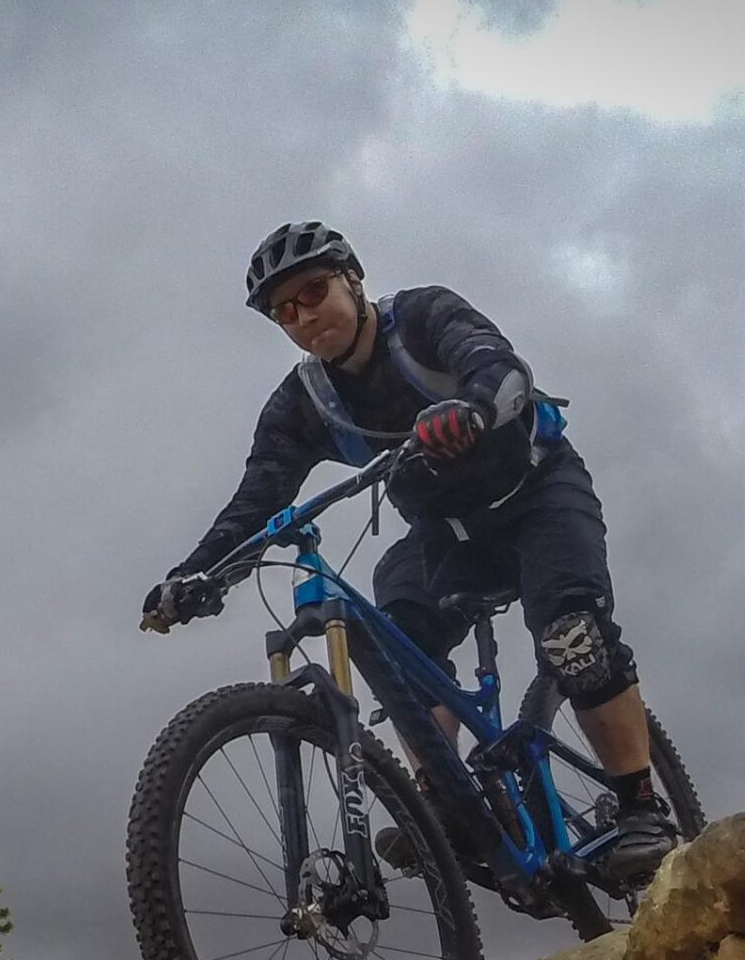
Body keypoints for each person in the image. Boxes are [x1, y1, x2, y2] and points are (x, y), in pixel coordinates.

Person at [142, 220, 677, 885]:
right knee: (399, 641)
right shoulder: (305, 403)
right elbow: (257, 499)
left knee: (573, 634)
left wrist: (474, 408)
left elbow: (503, 370)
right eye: (285, 312)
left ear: (353, 279)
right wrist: (197, 573)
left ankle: (639, 807)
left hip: (538, 493)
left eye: (314, 292)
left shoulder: (422, 317)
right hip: (446, 535)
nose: (304, 317)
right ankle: (448, 801)